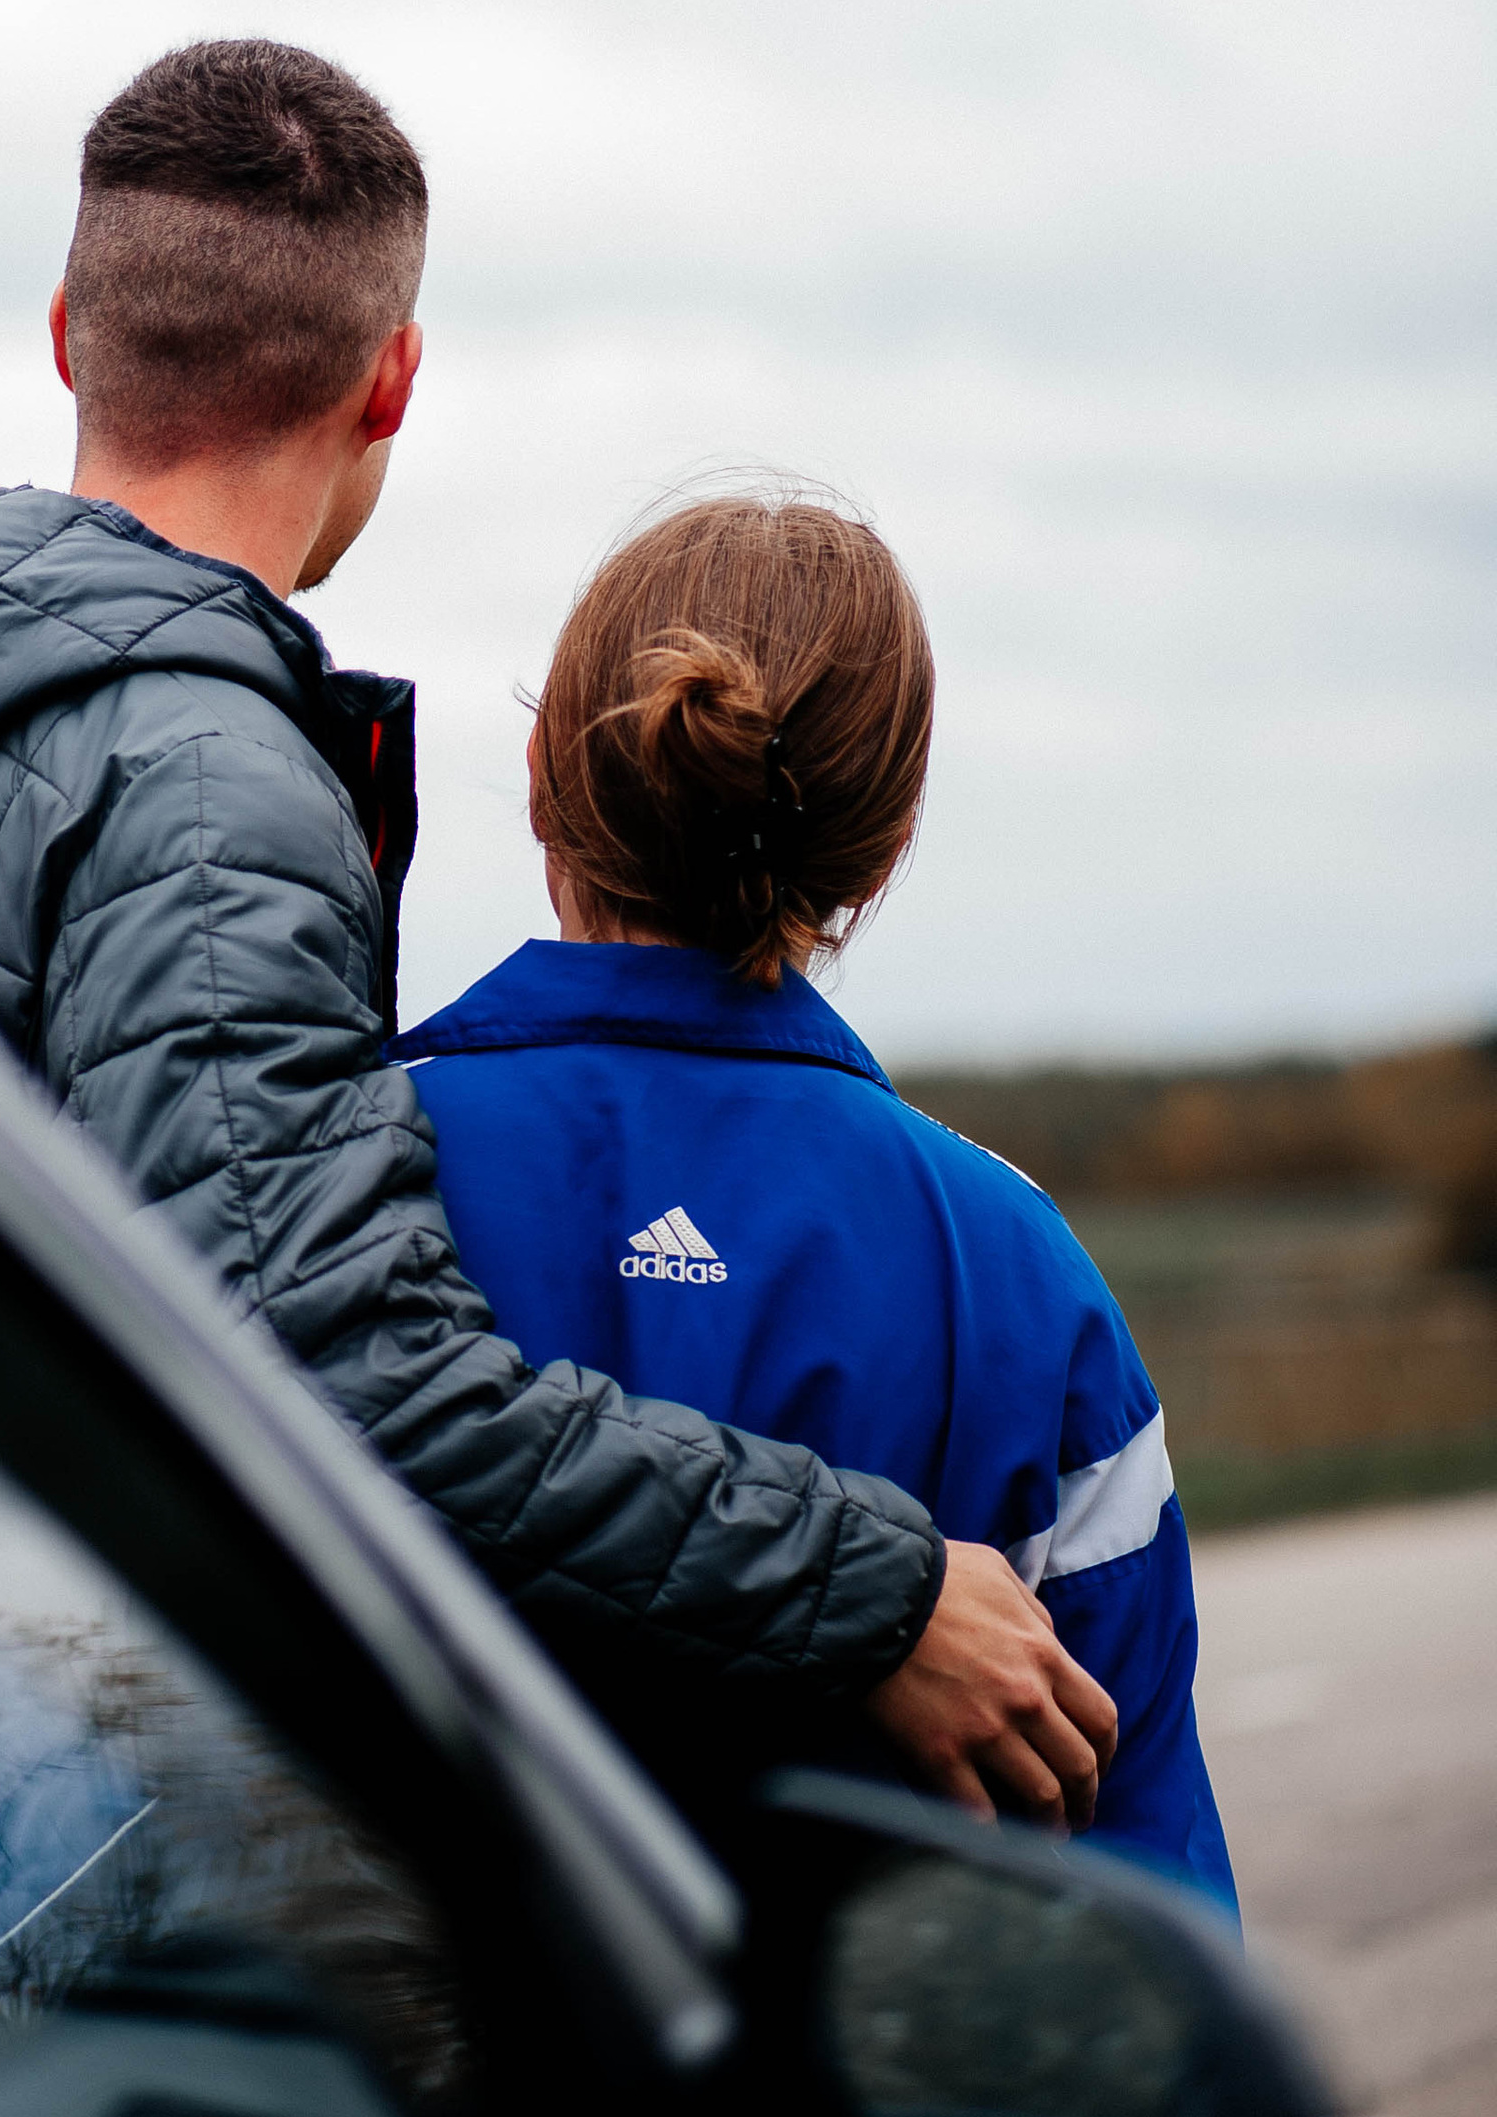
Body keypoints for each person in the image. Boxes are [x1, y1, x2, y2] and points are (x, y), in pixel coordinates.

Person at [0, 38, 1116, 1823]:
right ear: (394, 382)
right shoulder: (205, 787)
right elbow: (328, 1387)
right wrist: (878, 1591)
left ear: (70, 330)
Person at [396, 489, 1232, 1900]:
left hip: (373, 2110)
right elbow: (1142, 1896)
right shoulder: (1020, 1270)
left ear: (541, 775)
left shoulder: (312, 1175)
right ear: (887, 850)